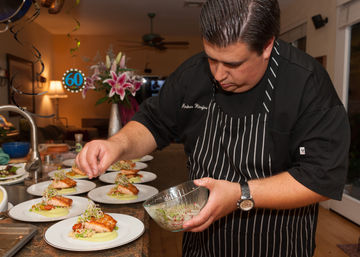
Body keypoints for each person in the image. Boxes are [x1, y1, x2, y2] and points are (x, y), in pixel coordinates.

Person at [76, 0, 350, 256]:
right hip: (203, 242)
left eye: (232, 63)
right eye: (211, 58)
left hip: (277, 242)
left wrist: (240, 194)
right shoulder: (192, 74)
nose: (218, 75)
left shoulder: (306, 82)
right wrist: (117, 144)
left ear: (267, 46)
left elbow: (321, 179)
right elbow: (153, 123)